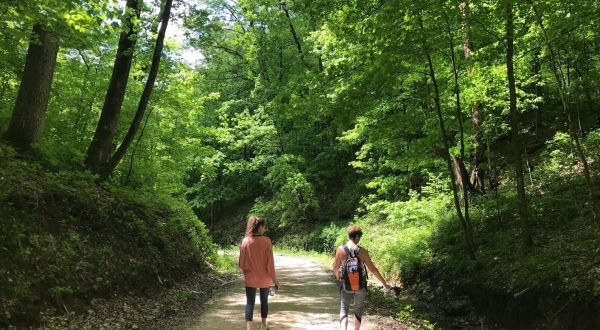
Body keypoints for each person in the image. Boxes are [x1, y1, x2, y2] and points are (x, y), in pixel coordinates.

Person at [333, 225, 391, 330]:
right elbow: (373, 269)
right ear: (357, 237)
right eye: (359, 237)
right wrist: (384, 283)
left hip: (346, 285)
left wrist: (339, 278)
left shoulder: (340, 250)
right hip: (360, 286)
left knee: (344, 309)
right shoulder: (363, 252)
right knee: (358, 309)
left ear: (349, 236)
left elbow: (335, 268)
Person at [239, 215, 280, 330]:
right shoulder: (267, 241)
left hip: (250, 278)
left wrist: (246, 273)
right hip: (264, 278)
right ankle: (263, 325)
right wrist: (276, 281)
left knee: (250, 303)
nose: (264, 229)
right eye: (264, 227)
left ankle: (249, 328)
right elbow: (270, 264)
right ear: (260, 227)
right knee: (264, 301)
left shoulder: (245, 241)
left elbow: (242, 264)